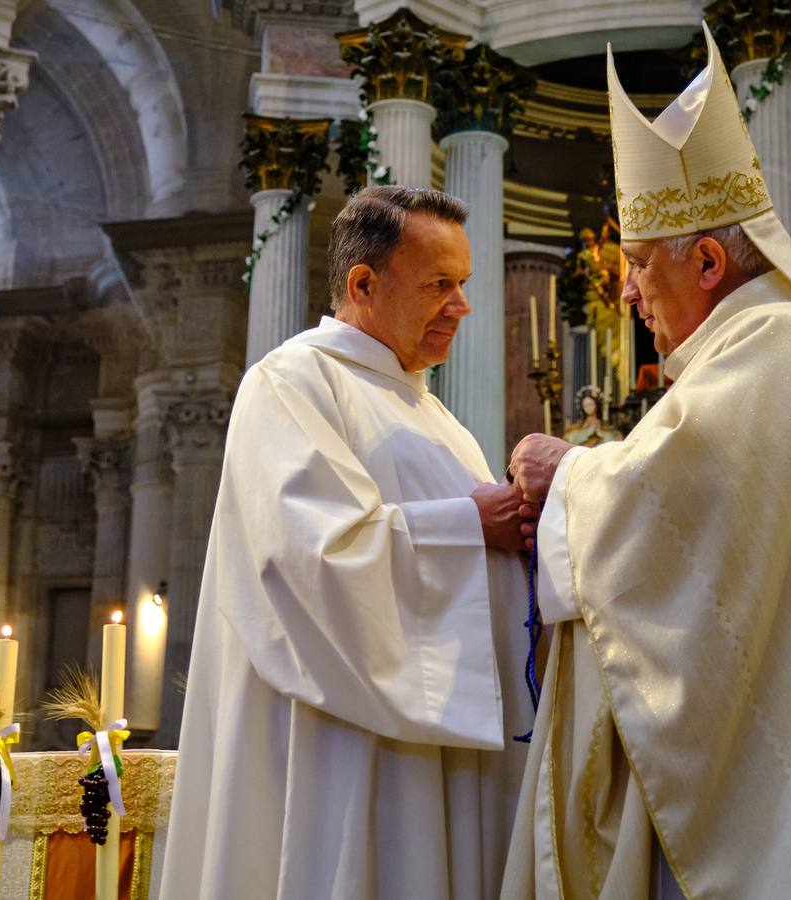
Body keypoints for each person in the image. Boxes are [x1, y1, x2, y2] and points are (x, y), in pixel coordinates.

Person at [500, 23, 791, 900]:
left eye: (640, 265)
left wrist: (566, 473)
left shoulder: (779, 343)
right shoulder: (771, 346)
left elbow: (680, 515)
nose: (628, 291)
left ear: (710, 260)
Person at [160, 186, 537, 899]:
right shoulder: (291, 383)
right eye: (440, 284)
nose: (461, 306)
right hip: (340, 751)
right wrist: (468, 525)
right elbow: (306, 558)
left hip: (433, 749)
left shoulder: (439, 420)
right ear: (363, 283)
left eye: (464, 285)